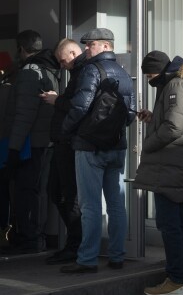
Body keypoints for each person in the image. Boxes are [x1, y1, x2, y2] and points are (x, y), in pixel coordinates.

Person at [135, 51, 183, 295]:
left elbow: (173, 127)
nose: (148, 79)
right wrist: (152, 118)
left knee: (170, 224)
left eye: (149, 74)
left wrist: (147, 144)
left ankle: (176, 280)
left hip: (167, 162)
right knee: (178, 222)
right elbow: (173, 121)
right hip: (174, 161)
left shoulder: (176, 84)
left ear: (158, 70)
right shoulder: (182, 83)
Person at [60, 28, 135, 273]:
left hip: (89, 147)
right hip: (117, 147)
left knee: (90, 206)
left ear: (105, 46)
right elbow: (131, 113)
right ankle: (117, 256)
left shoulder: (92, 70)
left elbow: (80, 107)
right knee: (115, 205)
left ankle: (87, 260)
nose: (87, 49)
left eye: (90, 44)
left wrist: (67, 131)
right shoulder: (124, 73)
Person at [0, 30, 59, 255]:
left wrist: (13, 149)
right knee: (38, 191)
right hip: (45, 142)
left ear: (21, 49)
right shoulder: (51, 69)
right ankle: (35, 236)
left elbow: (23, 115)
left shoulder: (29, 72)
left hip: (30, 144)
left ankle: (28, 238)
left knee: (27, 191)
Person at [39, 39, 86, 264]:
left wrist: (56, 100)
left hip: (68, 143)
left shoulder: (84, 73)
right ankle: (75, 243)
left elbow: (78, 107)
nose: (62, 65)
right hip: (62, 142)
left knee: (67, 195)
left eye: (63, 60)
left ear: (73, 52)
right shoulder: (77, 73)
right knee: (57, 192)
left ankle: (76, 244)